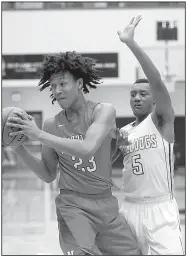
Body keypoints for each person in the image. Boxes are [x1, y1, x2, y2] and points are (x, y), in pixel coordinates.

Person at [7, 51, 140, 255]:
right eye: (52, 86)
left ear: (79, 83)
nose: (57, 90)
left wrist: (38, 134)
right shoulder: (52, 124)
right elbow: (48, 174)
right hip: (72, 206)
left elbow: (87, 148)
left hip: (106, 203)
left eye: (62, 84)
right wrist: (18, 148)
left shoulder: (103, 111)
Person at [114, 15, 184, 255]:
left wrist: (131, 44)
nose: (136, 97)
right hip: (129, 209)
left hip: (160, 210)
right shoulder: (123, 132)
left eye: (143, 94)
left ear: (154, 99)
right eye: (133, 93)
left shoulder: (161, 120)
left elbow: (157, 82)